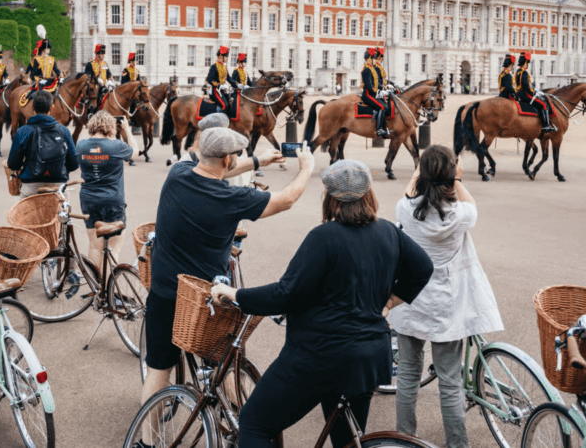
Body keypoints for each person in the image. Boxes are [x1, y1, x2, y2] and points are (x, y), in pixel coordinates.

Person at [210, 159, 434, 448]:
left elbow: (284, 294)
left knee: (254, 423)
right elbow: (424, 268)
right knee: (346, 442)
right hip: (368, 356)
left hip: (319, 355)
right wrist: (389, 303)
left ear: (330, 198)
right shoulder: (388, 231)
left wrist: (234, 294)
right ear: (369, 195)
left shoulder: (324, 237)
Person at [140, 127, 314, 409]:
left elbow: (217, 168)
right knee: (227, 365)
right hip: (206, 298)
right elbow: (286, 200)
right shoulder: (232, 199)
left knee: (158, 370)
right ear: (227, 159)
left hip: (163, 293)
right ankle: (243, 423)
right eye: (238, 154)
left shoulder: (177, 174)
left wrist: (259, 160)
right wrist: (307, 167)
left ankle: (147, 440)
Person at [389, 146, 503, 448]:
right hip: (446, 305)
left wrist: (420, 172)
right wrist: (456, 178)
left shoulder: (406, 211)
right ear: (452, 177)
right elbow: (470, 202)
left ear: (422, 176)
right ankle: (457, 443)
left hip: (410, 302)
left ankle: (404, 437)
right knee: (450, 382)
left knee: (409, 377)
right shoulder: (462, 214)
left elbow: (406, 196)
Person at [75, 111, 133, 270]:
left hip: (89, 199)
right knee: (114, 248)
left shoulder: (80, 145)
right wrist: (127, 129)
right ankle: (107, 292)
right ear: (111, 126)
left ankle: (96, 288)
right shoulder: (116, 146)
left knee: (94, 246)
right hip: (113, 199)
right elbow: (136, 151)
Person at [6, 90, 78, 198]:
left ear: (32, 108)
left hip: (31, 186)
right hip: (58, 185)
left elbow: (12, 164)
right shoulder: (64, 131)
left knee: (26, 214)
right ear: (52, 108)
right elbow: (74, 164)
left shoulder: (22, 131)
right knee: (62, 213)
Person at [514, 52, 555, 133]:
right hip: (525, 94)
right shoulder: (524, 72)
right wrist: (533, 93)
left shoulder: (518, 71)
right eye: (527, 63)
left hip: (519, 93)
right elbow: (526, 86)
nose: (527, 65)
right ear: (525, 62)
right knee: (543, 104)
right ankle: (546, 125)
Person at [361, 48, 390, 138]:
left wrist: (383, 89)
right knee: (382, 107)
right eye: (374, 58)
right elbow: (370, 86)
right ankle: (379, 129)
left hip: (373, 94)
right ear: (369, 59)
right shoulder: (367, 70)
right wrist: (379, 91)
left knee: (385, 106)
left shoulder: (371, 69)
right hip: (368, 94)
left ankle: (383, 126)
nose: (376, 60)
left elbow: (376, 83)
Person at [205, 46, 235, 115]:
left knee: (231, 103)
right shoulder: (214, 66)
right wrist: (219, 85)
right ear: (221, 56)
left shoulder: (224, 67)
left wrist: (237, 84)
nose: (227, 58)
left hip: (223, 91)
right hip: (216, 90)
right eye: (226, 56)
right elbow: (209, 79)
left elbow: (229, 78)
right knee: (224, 105)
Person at [84, 44, 111, 108]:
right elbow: (87, 77)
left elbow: (108, 74)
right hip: (94, 87)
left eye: (104, 53)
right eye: (102, 53)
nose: (103, 55)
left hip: (104, 86)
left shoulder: (104, 63)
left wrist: (110, 78)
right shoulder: (90, 64)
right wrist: (96, 79)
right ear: (97, 54)